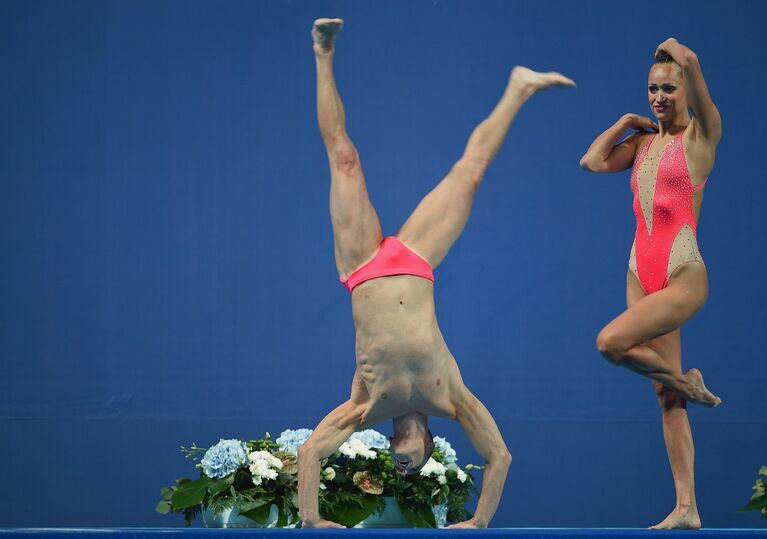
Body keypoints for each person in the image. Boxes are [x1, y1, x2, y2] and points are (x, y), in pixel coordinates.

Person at [298, 18, 574, 528]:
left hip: (361, 269)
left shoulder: (365, 409)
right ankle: (519, 87)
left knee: (343, 158)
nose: (405, 467)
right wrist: (479, 522)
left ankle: (322, 51)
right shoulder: (451, 397)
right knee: (469, 174)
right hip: (414, 264)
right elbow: (500, 457)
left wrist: (311, 519)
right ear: (428, 440)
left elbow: (310, 452)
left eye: (400, 466)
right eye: (415, 463)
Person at [579, 38, 722, 529]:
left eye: (668, 89)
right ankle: (687, 508)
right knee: (666, 397)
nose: (659, 97)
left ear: (685, 92)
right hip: (641, 271)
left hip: (682, 273)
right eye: (652, 90)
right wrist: (624, 123)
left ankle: (691, 386)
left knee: (610, 343)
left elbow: (692, 63)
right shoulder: (642, 144)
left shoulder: (700, 138)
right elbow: (593, 161)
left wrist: (676, 50)